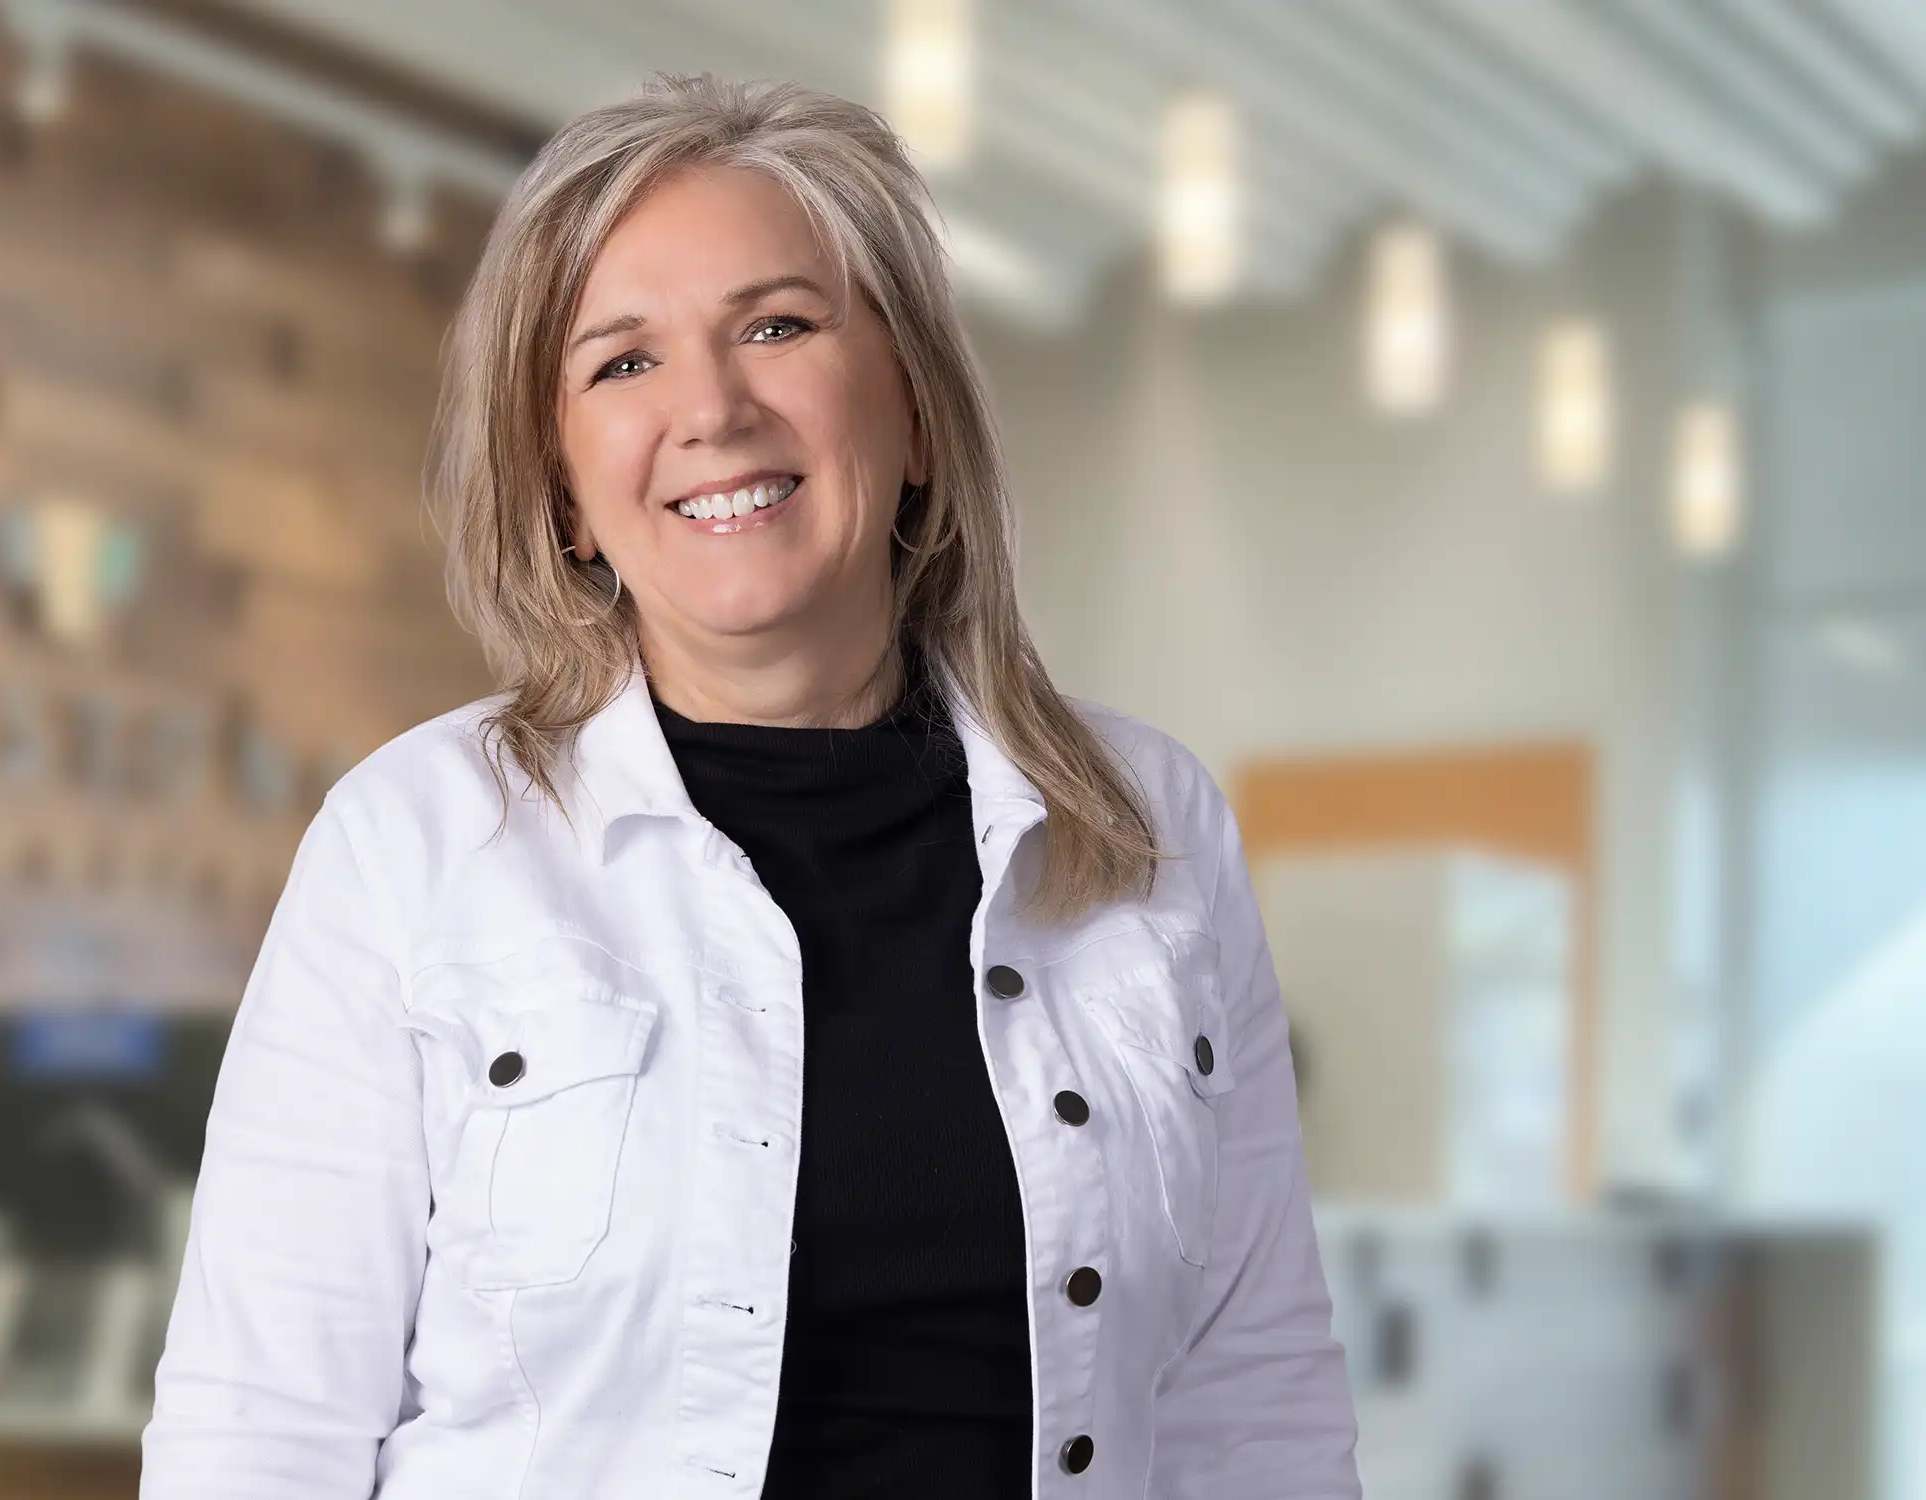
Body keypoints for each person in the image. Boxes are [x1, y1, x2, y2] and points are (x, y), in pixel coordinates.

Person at [141, 72, 1359, 1500]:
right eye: (622, 363)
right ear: (562, 486)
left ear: (910, 406)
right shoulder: (411, 848)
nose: (712, 408)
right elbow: (257, 1436)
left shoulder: (1150, 827)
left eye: (777, 326)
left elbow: (1254, 1397)